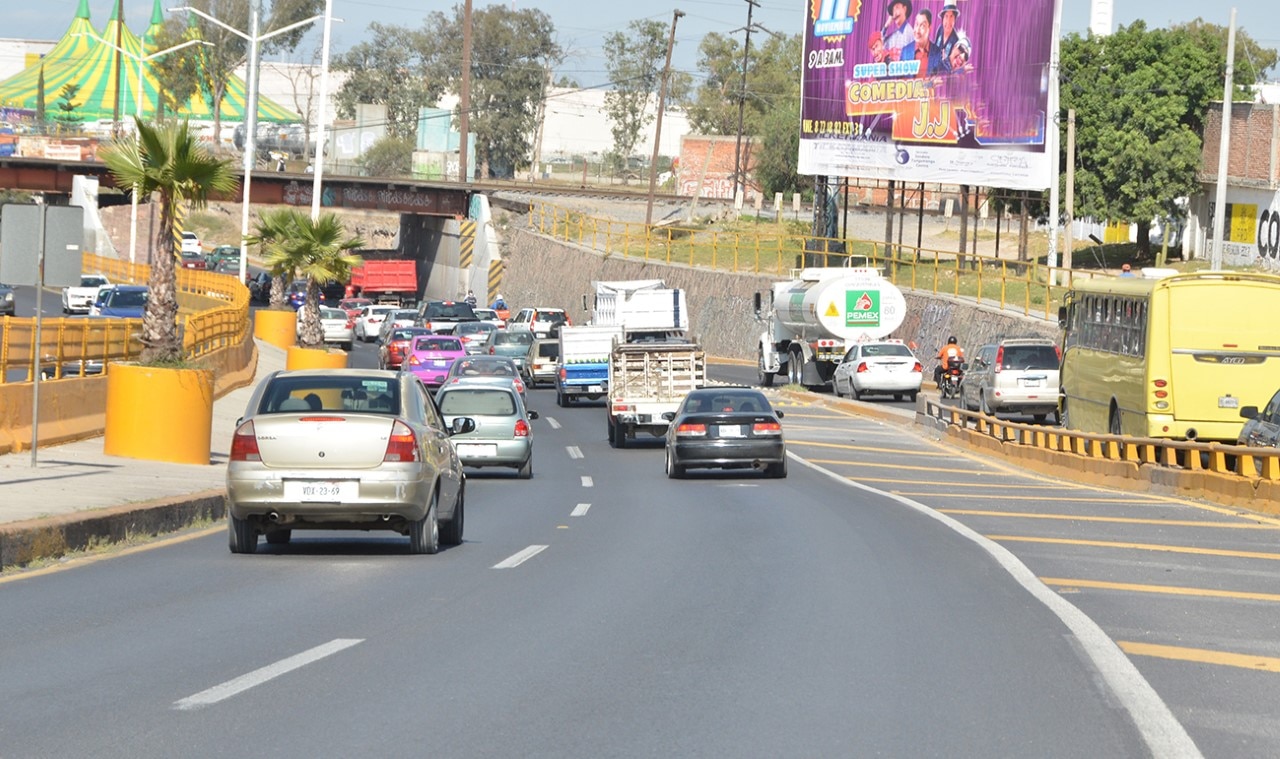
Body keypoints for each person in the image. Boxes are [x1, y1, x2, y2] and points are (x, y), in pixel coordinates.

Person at [899, 9, 944, 78]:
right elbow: (899, 80)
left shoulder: (937, 53)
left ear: (929, 28)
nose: (917, 30)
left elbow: (940, 78)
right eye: (916, 24)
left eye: (922, 26)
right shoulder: (905, 51)